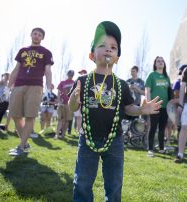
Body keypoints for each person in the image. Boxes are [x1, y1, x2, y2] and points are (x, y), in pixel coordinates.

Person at [69, 21, 162, 202]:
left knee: (114, 184)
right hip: (88, 139)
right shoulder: (83, 80)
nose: (108, 49)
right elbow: (73, 106)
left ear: (117, 56)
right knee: (82, 182)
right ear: (92, 55)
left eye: (113, 47)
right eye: (102, 45)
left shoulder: (121, 84)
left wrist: (142, 109)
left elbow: (128, 108)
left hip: (115, 141)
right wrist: (73, 98)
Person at [8, 27, 53, 156]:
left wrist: (49, 89)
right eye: (35, 33)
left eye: (39, 34)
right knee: (15, 115)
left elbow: (48, 71)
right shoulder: (22, 51)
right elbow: (16, 69)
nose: (37, 36)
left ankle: (21, 147)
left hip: (35, 86)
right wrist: (8, 86)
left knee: (29, 116)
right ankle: (25, 143)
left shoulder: (46, 52)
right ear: (31, 35)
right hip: (18, 85)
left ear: (42, 38)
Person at [145, 56, 172, 157]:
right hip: (154, 106)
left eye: (162, 61)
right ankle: (150, 149)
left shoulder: (166, 77)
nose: (160, 62)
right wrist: (148, 104)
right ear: (155, 64)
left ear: (164, 64)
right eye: (158, 61)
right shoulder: (151, 75)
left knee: (162, 128)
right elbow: (147, 90)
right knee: (153, 127)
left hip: (165, 107)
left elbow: (170, 92)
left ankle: (161, 148)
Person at [54, 70, 75, 139]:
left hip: (70, 104)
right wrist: (59, 101)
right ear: (67, 74)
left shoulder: (74, 83)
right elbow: (59, 92)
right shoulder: (62, 83)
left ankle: (63, 135)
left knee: (67, 120)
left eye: (72, 75)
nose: (70, 76)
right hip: (62, 103)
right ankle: (56, 134)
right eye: (69, 74)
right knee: (60, 119)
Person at [73, 69, 87, 133]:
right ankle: (79, 131)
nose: (81, 74)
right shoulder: (78, 80)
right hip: (77, 102)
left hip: (84, 103)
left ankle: (82, 130)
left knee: (82, 117)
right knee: (78, 117)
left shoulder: (87, 81)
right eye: (80, 73)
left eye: (82, 72)